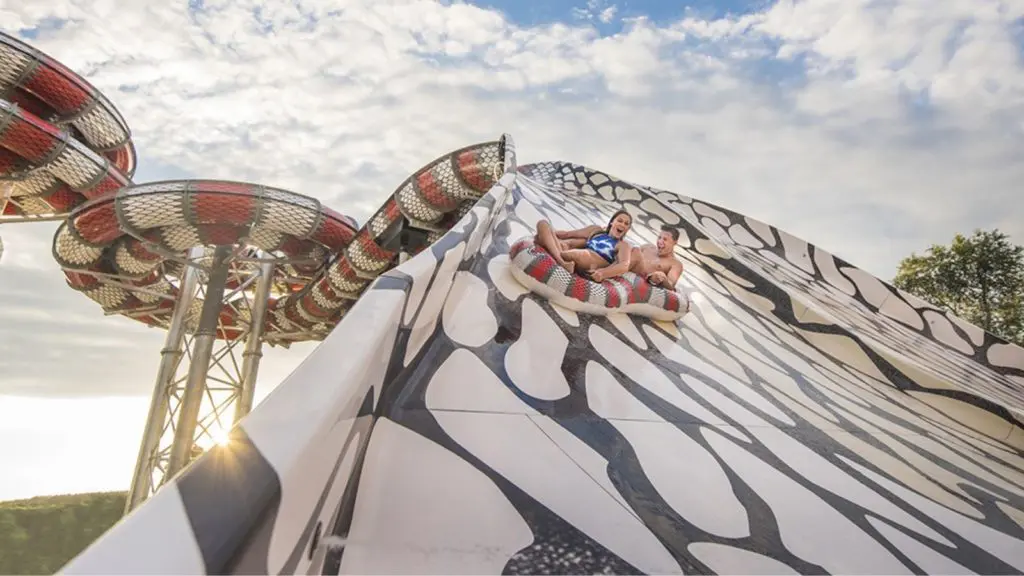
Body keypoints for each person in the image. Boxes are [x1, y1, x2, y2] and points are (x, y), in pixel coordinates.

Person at [534, 210, 633, 282]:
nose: (622, 225)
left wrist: (603, 273)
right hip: (573, 255)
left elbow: (624, 265)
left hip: (591, 262)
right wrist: (547, 234)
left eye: (626, 224)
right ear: (612, 222)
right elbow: (567, 234)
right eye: (620, 221)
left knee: (568, 254)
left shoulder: (623, 245)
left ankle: (560, 260)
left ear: (628, 228)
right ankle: (563, 263)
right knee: (543, 224)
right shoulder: (596, 231)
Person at [630, 225, 684, 290]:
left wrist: (663, 279)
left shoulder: (675, 264)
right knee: (635, 251)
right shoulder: (647, 247)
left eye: (665, 239)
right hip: (628, 272)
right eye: (659, 237)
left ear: (674, 243)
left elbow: (670, 285)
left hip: (644, 284)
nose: (660, 241)